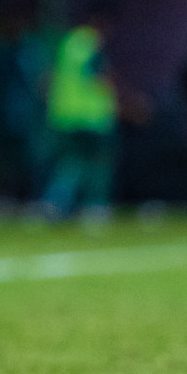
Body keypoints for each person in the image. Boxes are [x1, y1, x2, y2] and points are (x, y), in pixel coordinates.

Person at [42, 14, 119, 221]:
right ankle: (95, 205)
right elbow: (99, 76)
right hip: (91, 116)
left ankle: (55, 202)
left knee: (71, 162)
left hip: (66, 115)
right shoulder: (92, 44)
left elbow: (49, 78)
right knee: (98, 162)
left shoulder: (68, 43)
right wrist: (123, 101)